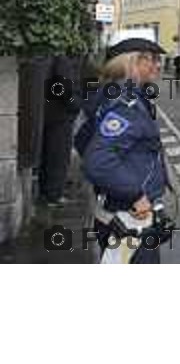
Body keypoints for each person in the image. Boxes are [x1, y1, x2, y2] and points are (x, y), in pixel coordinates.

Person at [78, 36, 169, 264]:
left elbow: (82, 139)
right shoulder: (126, 103)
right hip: (129, 219)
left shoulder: (109, 92)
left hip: (114, 212)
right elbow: (97, 161)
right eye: (153, 59)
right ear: (133, 62)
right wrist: (135, 194)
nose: (158, 65)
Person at [39, 55, 82, 206]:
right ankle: (53, 195)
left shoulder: (52, 58)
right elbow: (63, 87)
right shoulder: (62, 59)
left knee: (50, 155)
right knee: (58, 156)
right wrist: (75, 103)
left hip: (51, 113)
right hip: (60, 115)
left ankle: (48, 193)